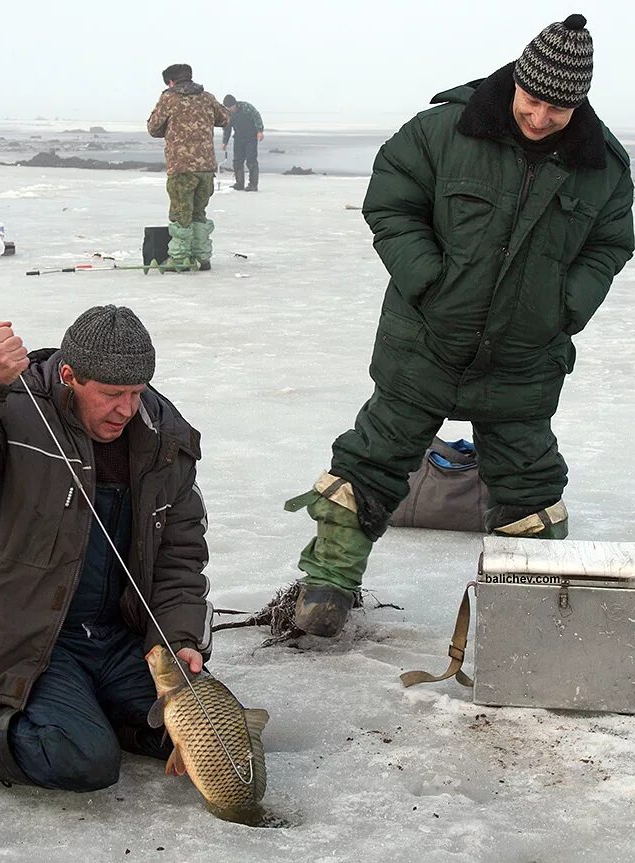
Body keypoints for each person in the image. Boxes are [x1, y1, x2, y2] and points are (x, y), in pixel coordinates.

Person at [286, 14, 635, 638]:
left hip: (525, 352)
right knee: (372, 458)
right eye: (532, 101)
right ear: (515, 82)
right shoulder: (443, 130)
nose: (540, 118)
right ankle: (328, 586)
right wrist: (427, 279)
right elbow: (392, 202)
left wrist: (565, 306)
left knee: (529, 482)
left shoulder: (602, 165)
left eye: (558, 109)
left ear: (579, 103)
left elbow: (611, 243)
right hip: (426, 338)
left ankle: (534, 606)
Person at [0, 306, 212, 791]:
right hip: (29, 637)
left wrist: (178, 638)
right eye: (111, 394)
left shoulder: (163, 436)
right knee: (81, 759)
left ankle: (93, 715)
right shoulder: (13, 409)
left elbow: (180, 555)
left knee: (214, 733)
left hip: (117, 638)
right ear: (70, 376)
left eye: (136, 392)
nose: (126, 409)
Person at [147, 63, 230, 271]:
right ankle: (202, 257)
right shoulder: (207, 97)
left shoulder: (169, 98)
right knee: (199, 213)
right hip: (206, 167)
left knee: (180, 215)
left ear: (171, 82)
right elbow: (225, 118)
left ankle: (179, 259)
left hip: (181, 167)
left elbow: (153, 128)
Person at [222, 95, 264, 192]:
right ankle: (239, 183)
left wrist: (260, 131)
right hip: (238, 138)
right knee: (237, 161)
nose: (229, 109)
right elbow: (227, 128)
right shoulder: (228, 114)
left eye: (231, 107)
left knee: (251, 160)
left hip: (251, 137)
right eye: (227, 108)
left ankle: (253, 185)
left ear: (235, 104)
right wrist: (225, 142)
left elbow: (257, 117)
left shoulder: (246, 107)